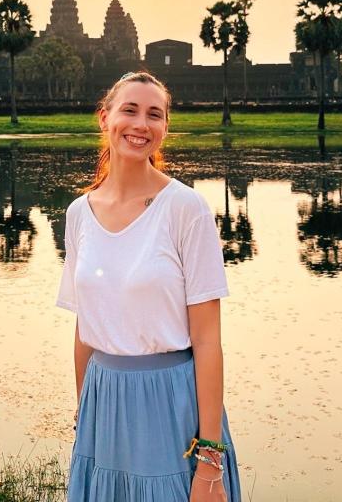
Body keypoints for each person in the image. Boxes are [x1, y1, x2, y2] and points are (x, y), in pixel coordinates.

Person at [56, 71, 242, 501]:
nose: (141, 124)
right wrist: (86, 413)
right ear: (105, 118)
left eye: (154, 115)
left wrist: (210, 459)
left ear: (164, 129)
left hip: (171, 403)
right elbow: (86, 328)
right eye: (130, 110)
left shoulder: (185, 208)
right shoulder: (78, 213)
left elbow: (208, 340)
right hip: (103, 403)